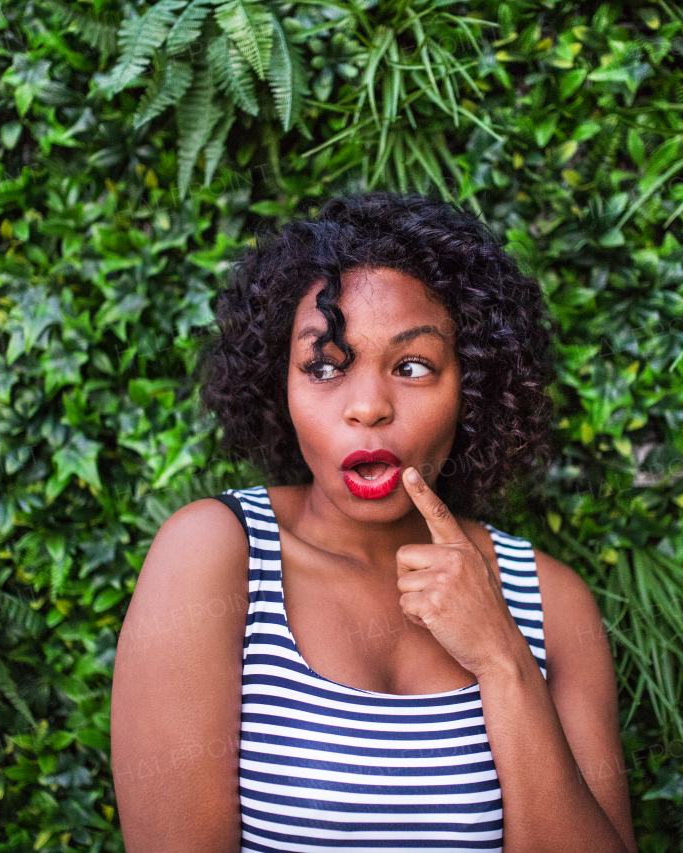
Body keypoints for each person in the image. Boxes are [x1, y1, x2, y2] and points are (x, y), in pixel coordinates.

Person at [111, 193, 637, 853]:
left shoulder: (553, 602)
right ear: (281, 387)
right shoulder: (216, 556)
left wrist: (502, 658)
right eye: (326, 366)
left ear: (469, 389)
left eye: (412, 367)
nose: (367, 407)